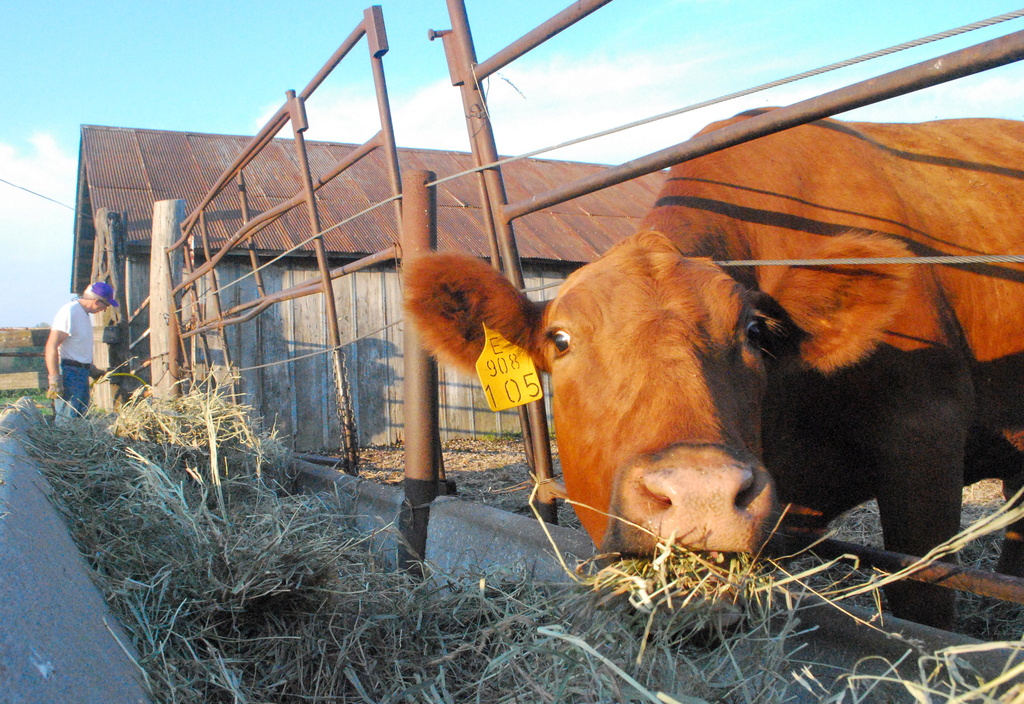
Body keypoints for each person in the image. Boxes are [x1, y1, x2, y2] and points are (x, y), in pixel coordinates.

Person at [45, 281, 119, 417]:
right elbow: (51, 345)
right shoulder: (70, 312)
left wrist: (90, 368)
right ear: (97, 301)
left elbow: (77, 345)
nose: (104, 310)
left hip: (81, 373)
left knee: (79, 417)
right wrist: (54, 378)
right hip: (70, 373)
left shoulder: (83, 315)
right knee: (67, 418)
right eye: (106, 305)